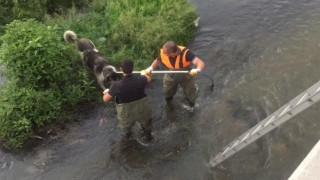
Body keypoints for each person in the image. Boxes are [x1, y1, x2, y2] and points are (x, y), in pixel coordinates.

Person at [103, 59, 153, 142]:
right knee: (147, 126)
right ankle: (149, 139)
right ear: (132, 69)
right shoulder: (141, 79)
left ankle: (128, 141)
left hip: (126, 113)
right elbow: (149, 79)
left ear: (121, 69)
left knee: (127, 130)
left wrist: (106, 92)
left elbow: (105, 99)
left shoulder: (116, 85)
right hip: (142, 108)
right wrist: (144, 73)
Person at [144, 40, 205, 109]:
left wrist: (197, 69)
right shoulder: (164, 52)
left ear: (174, 53)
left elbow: (200, 63)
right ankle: (169, 103)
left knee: (191, 93)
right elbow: (157, 60)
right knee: (167, 91)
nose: (163, 54)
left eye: (166, 53)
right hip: (170, 74)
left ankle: (192, 105)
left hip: (186, 75)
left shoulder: (186, 53)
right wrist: (151, 68)